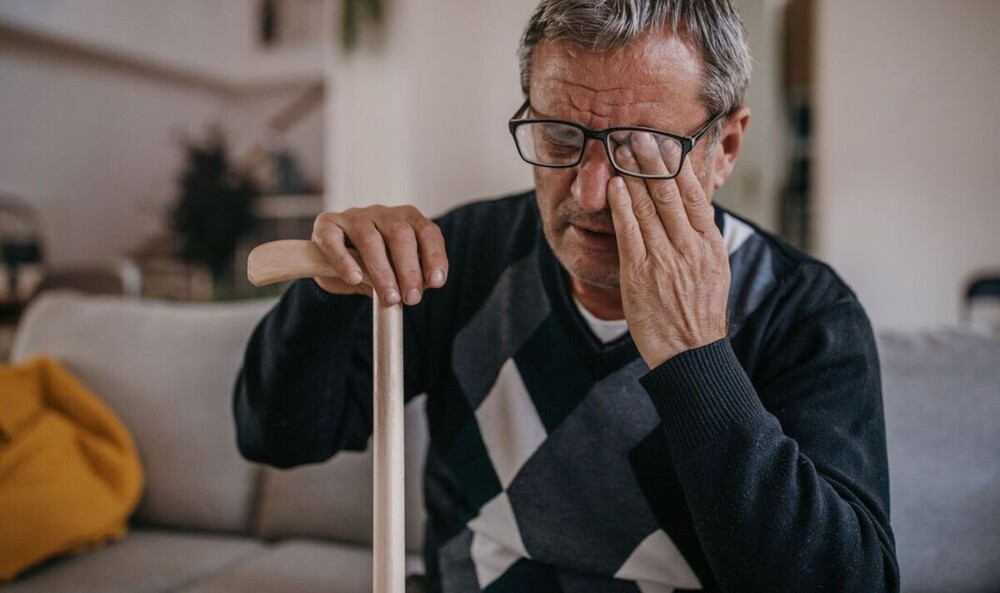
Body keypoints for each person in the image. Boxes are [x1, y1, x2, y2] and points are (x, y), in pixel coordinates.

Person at [234, 1, 899, 591]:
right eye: (558, 136)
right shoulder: (458, 256)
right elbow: (275, 435)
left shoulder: (806, 312)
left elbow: (849, 578)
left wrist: (695, 355)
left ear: (723, 147)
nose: (587, 194)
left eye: (639, 150)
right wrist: (328, 298)